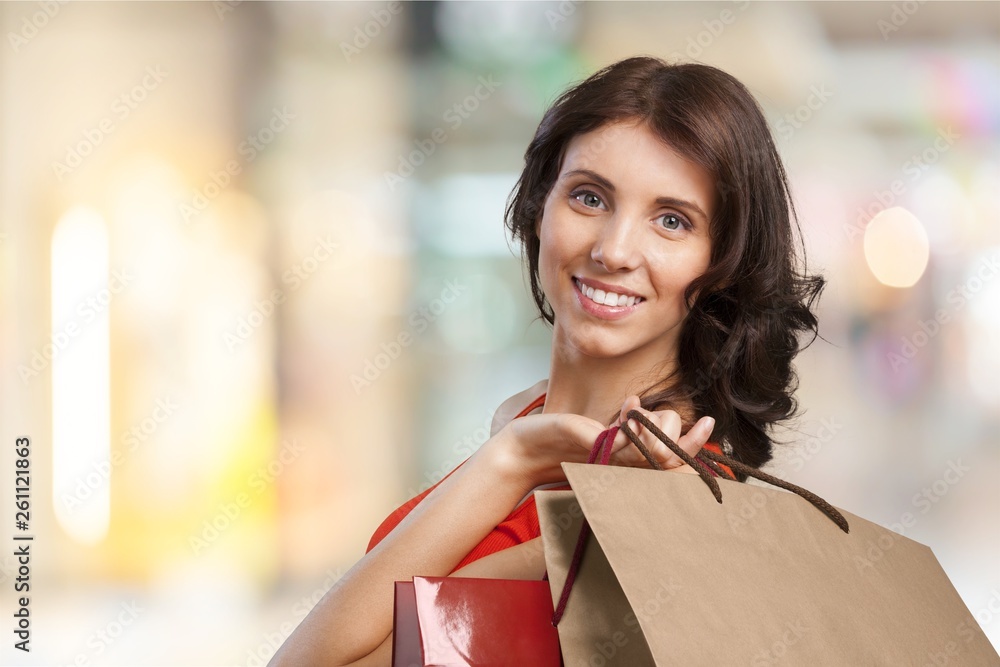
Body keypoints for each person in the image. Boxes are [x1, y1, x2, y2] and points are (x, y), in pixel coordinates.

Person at [269, 55, 824, 666]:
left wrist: (516, 463)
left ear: (724, 265)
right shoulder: (528, 425)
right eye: (589, 197)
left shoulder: (669, 504)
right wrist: (517, 452)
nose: (613, 250)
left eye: (672, 221)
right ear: (539, 204)